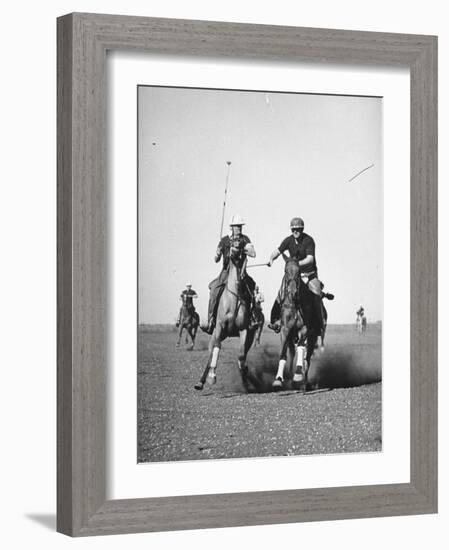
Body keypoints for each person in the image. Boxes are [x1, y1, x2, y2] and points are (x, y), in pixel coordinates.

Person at [267, 217, 334, 333]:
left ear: (302, 229)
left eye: (298, 229)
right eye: (293, 229)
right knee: (280, 294)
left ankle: (320, 323)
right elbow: (277, 251)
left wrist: (296, 264)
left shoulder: (309, 240)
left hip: (309, 275)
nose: (295, 232)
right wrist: (271, 259)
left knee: (316, 295)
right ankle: (275, 321)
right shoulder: (288, 240)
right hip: (294, 276)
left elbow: (310, 259)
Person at [201, 214, 257, 335]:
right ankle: (211, 319)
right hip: (226, 272)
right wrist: (217, 253)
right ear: (231, 227)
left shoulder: (245, 239)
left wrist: (241, 249)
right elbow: (216, 259)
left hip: (241, 272)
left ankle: (252, 318)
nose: (239, 228)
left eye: (240, 226)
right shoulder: (224, 240)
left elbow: (253, 253)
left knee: (252, 287)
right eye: (236, 226)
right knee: (214, 289)